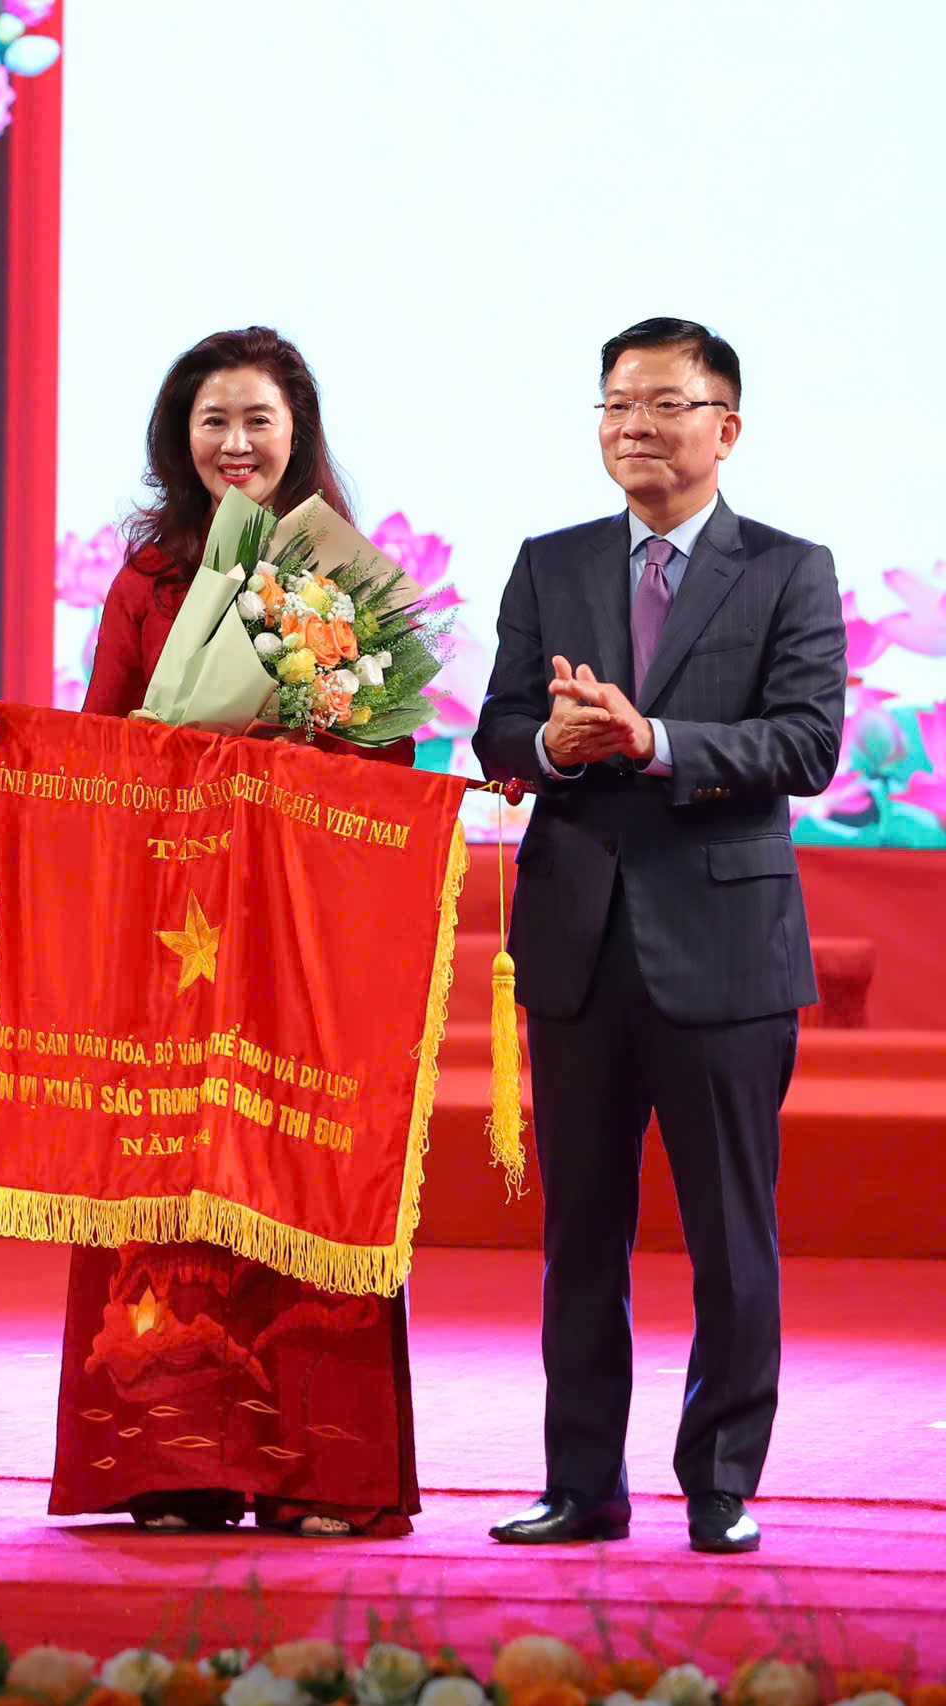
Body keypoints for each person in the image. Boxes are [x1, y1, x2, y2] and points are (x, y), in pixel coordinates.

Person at [476, 319, 842, 1555]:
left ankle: (721, 1481)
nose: (635, 424)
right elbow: (497, 731)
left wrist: (653, 740)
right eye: (616, 404)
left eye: (665, 403)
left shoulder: (788, 568)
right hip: (577, 944)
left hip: (726, 948)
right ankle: (581, 1482)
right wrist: (550, 744)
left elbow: (804, 743)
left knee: (731, 1233)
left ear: (724, 426)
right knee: (582, 1232)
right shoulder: (550, 561)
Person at [58, 327, 419, 1538]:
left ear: (296, 431)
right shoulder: (148, 579)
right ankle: (174, 1463)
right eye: (213, 420)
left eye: (257, 419)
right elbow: (97, 750)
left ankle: (322, 1470)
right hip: (167, 931)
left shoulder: (347, 580)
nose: (235, 442)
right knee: (171, 1185)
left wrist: (281, 771)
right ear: (182, 439)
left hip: (304, 937)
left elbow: (388, 763)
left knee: (300, 1169)